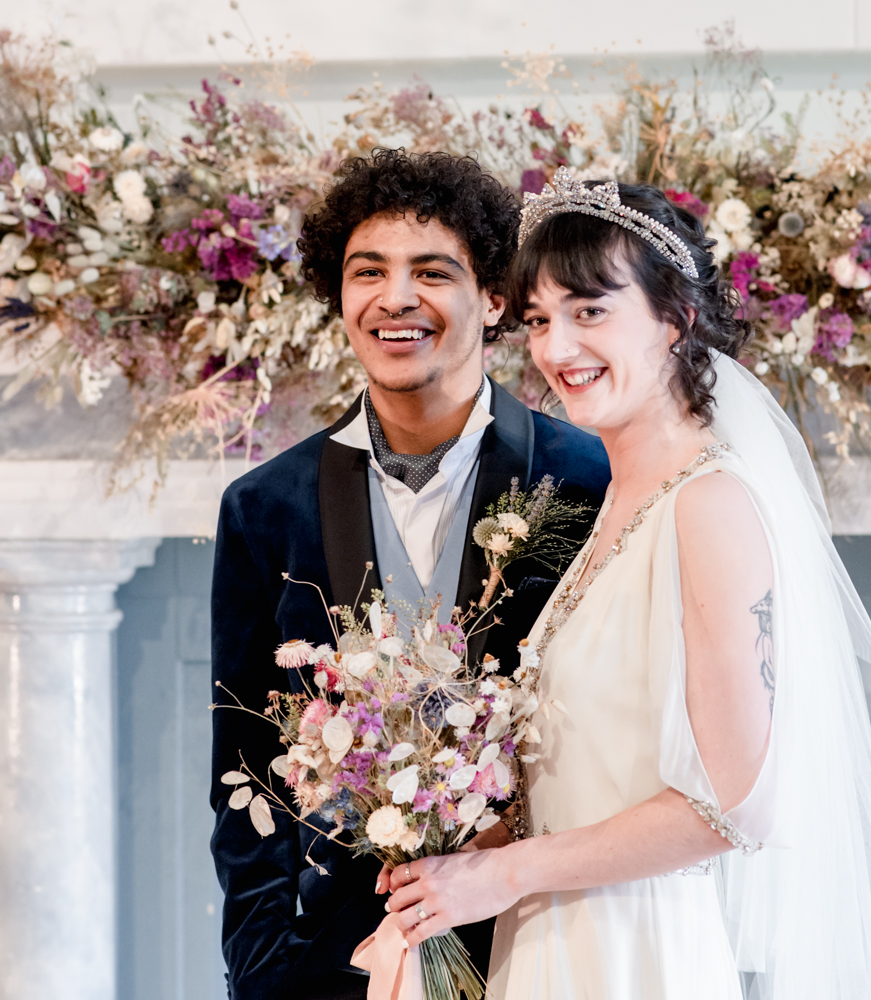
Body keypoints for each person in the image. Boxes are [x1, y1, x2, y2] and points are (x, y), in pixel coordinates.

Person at [380, 169, 871, 1000]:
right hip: (556, 938)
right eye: (538, 320)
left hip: (637, 955)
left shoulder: (709, 505)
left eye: (589, 311)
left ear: (675, 319)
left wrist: (509, 875)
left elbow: (734, 805)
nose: (556, 349)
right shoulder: (615, 502)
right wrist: (464, 858)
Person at [209, 151, 611, 1000]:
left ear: (495, 297)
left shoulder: (592, 477)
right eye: (368, 273)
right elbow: (243, 769)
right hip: (335, 964)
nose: (395, 299)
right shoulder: (262, 506)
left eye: (432, 272)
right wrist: (263, 971)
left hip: (550, 943)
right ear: (341, 295)